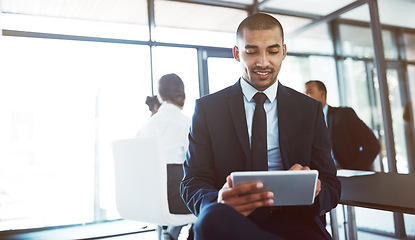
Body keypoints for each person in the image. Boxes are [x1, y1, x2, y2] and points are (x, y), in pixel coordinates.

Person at [180, 13, 341, 240]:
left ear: (283, 52)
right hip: (231, 221)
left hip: (296, 221)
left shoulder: (309, 109)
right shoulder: (208, 109)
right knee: (211, 220)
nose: (263, 62)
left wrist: (315, 190)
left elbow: (332, 184)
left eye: (273, 51)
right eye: (252, 51)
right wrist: (218, 201)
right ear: (237, 53)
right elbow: (192, 182)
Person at [137, 73, 192, 240]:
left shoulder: (146, 127)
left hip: (150, 198)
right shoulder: (186, 123)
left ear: (160, 96)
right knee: (205, 197)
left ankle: (167, 234)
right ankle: (172, 234)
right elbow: (196, 163)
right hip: (176, 199)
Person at [304, 80, 380, 171]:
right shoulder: (306, 123)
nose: (305, 97)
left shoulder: (344, 115)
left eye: (309, 92)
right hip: (322, 178)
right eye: (304, 94)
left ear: (322, 94)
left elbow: (372, 145)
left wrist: (353, 169)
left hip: (348, 176)